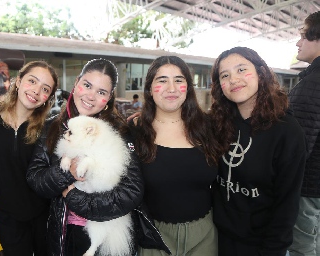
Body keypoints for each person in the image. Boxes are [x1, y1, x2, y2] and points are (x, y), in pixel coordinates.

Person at [26, 58, 144, 255]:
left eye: (101, 92)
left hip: (105, 235)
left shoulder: (120, 132)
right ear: (76, 83)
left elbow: (132, 191)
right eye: (87, 85)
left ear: (109, 97)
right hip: (64, 235)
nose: (91, 96)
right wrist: (68, 172)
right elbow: (35, 178)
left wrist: (76, 199)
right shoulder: (51, 127)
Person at [210, 46, 306, 256]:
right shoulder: (217, 124)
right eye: (225, 75)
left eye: (242, 70)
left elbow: (287, 205)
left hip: (260, 246)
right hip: (216, 239)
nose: (234, 79)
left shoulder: (287, 132)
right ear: (220, 86)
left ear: (261, 73)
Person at [130, 56, 222, 255]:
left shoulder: (209, 126)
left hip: (204, 236)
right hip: (153, 238)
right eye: (162, 80)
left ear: (188, 87)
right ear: (149, 88)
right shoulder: (134, 131)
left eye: (179, 80)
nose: (171, 88)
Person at [0, 61, 58, 256]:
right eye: (32, 81)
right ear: (18, 81)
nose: (36, 91)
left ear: (47, 98)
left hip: (44, 213)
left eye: (45, 89)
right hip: (7, 215)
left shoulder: (49, 129)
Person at [288, 11, 320, 256]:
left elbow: (296, 149)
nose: (298, 42)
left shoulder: (311, 84)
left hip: (308, 188)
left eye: (304, 36)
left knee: (303, 248)